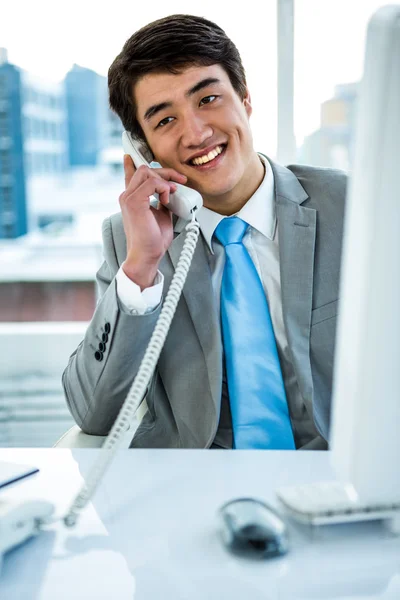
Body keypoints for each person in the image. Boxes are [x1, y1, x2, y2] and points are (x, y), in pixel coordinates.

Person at [62, 14, 346, 450]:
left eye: (208, 98)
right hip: (200, 487)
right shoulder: (130, 241)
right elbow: (95, 414)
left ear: (246, 99)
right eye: (164, 121)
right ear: (143, 151)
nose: (195, 133)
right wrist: (142, 265)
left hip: (343, 478)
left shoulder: (353, 205)